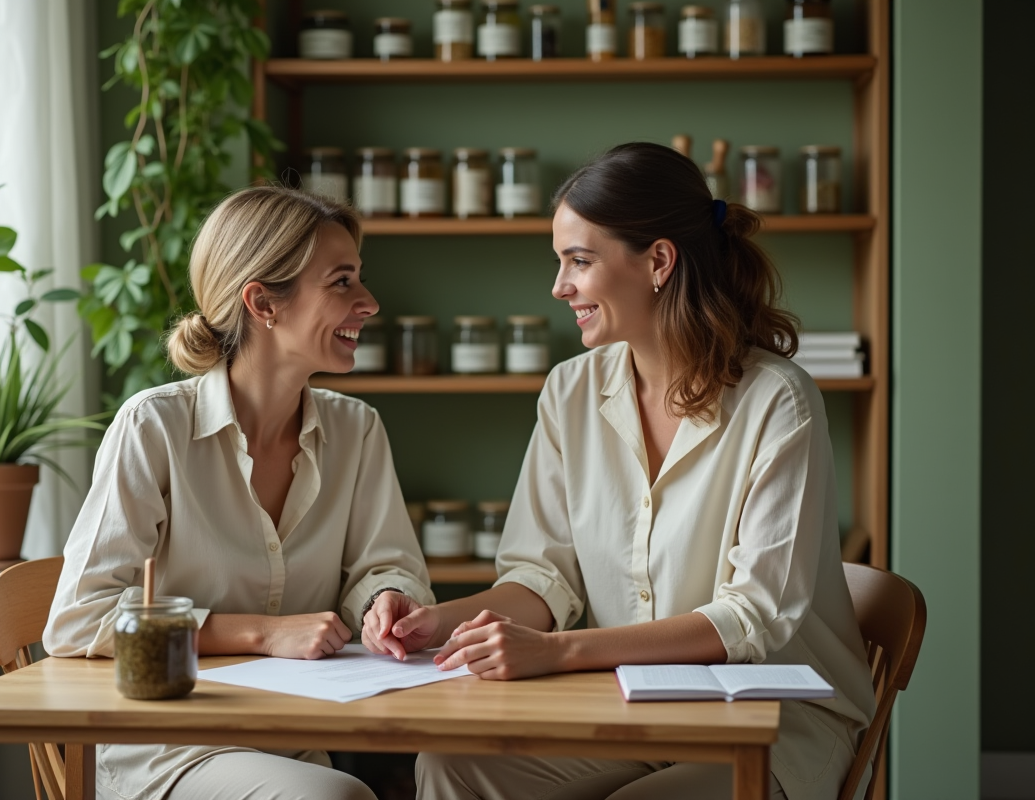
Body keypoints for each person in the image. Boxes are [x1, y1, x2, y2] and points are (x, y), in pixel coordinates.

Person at [363, 143, 876, 800]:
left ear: (658, 261)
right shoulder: (568, 391)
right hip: (629, 703)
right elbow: (543, 579)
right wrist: (434, 621)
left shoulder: (779, 400)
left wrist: (560, 653)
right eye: (560, 262)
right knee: (451, 766)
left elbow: (755, 617)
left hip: (776, 717)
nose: (560, 287)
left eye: (579, 261)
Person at [44, 186, 433, 800]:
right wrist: (261, 632)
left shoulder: (356, 429)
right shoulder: (155, 427)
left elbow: (386, 563)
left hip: (293, 736)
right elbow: (78, 618)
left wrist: (386, 598)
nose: (369, 303)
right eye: (341, 283)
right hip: (168, 744)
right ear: (262, 302)